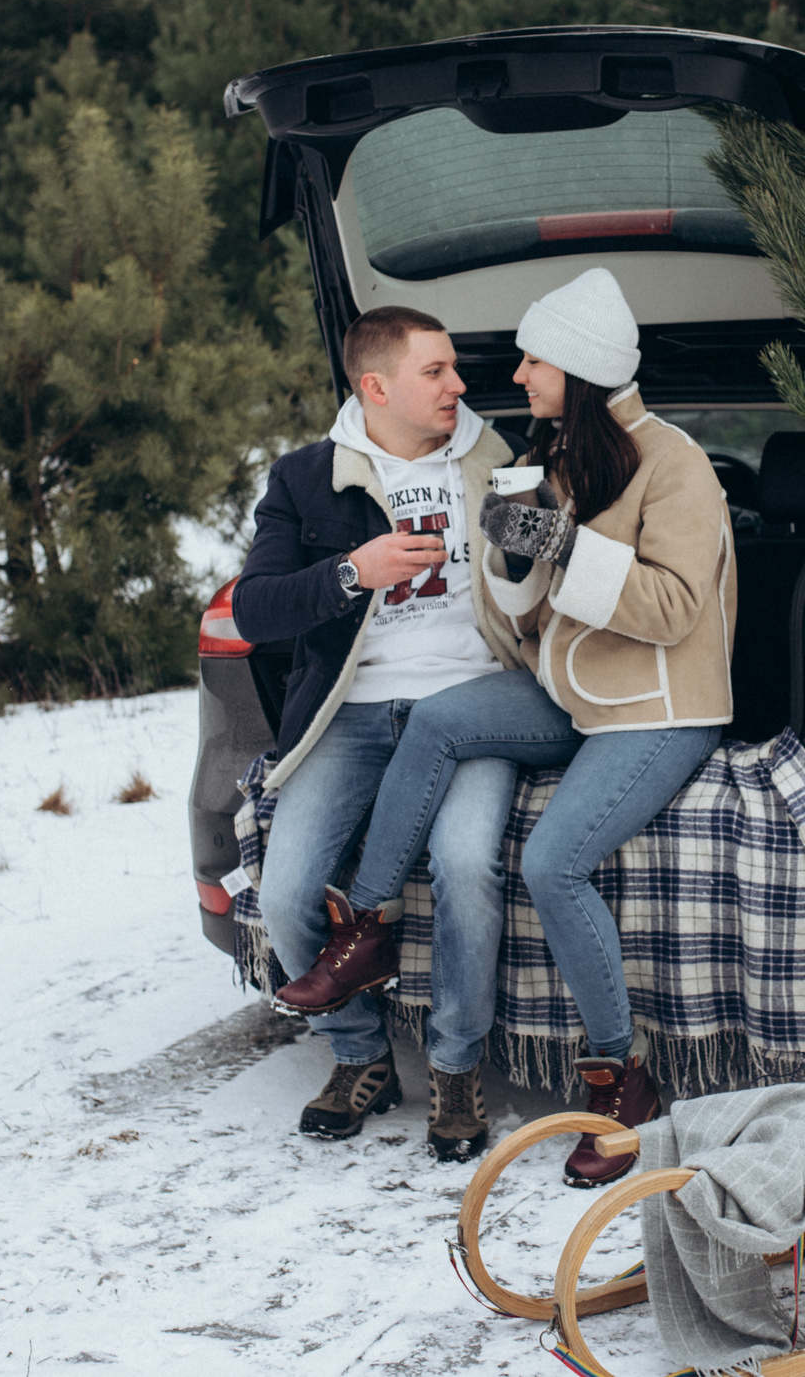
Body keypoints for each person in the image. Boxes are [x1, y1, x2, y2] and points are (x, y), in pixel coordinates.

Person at [278, 267, 737, 1188]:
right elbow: (535, 620)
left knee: (549, 862)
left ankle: (620, 1077)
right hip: (568, 694)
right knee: (442, 719)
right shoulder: (565, 457)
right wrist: (507, 555)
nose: (517, 374)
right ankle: (365, 926)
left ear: (579, 365)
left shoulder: (675, 463)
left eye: (534, 358)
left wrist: (559, 544)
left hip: (657, 709)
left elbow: (676, 609)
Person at [229, 305, 527, 1160]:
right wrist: (354, 571)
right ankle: (361, 1056)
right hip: (354, 713)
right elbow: (255, 609)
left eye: (454, 368)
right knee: (285, 890)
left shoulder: (495, 462)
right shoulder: (305, 478)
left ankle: (457, 1066)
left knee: (468, 865)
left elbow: (537, 575)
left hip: (470, 705)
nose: (458, 385)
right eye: (436, 371)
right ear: (377, 386)